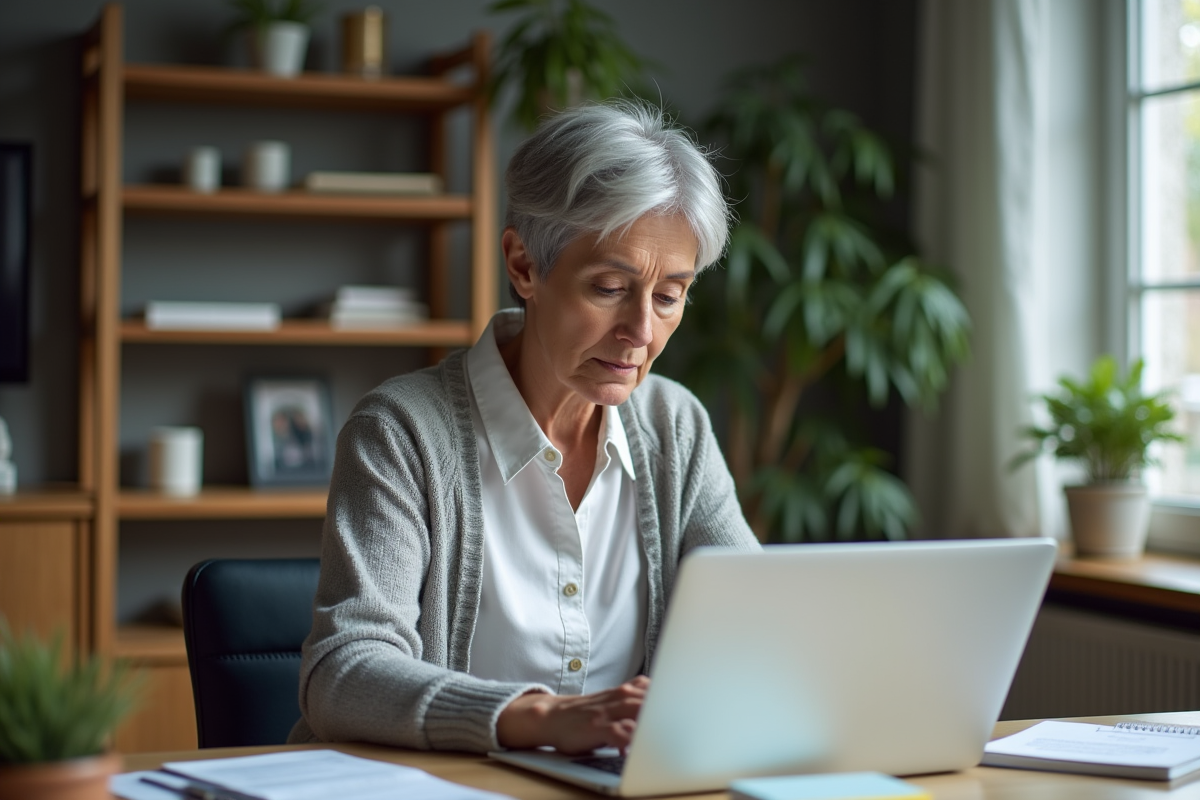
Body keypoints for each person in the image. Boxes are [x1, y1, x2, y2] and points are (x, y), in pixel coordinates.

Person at [289, 100, 760, 755]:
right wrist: (540, 718)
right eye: (609, 288)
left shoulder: (674, 425)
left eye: (668, 296)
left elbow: (757, 621)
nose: (640, 332)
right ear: (523, 265)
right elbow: (343, 675)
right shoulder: (401, 432)